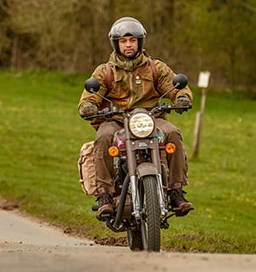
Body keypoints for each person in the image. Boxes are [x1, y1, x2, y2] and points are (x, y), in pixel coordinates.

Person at [78, 17, 194, 218]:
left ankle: (176, 190)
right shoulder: (105, 71)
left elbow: (176, 87)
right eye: (123, 41)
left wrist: (182, 97)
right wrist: (89, 106)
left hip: (150, 118)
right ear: (116, 44)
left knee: (173, 132)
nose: (128, 44)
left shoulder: (156, 67)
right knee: (103, 138)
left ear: (140, 42)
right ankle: (104, 195)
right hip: (116, 119)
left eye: (132, 40)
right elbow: (90, 97)